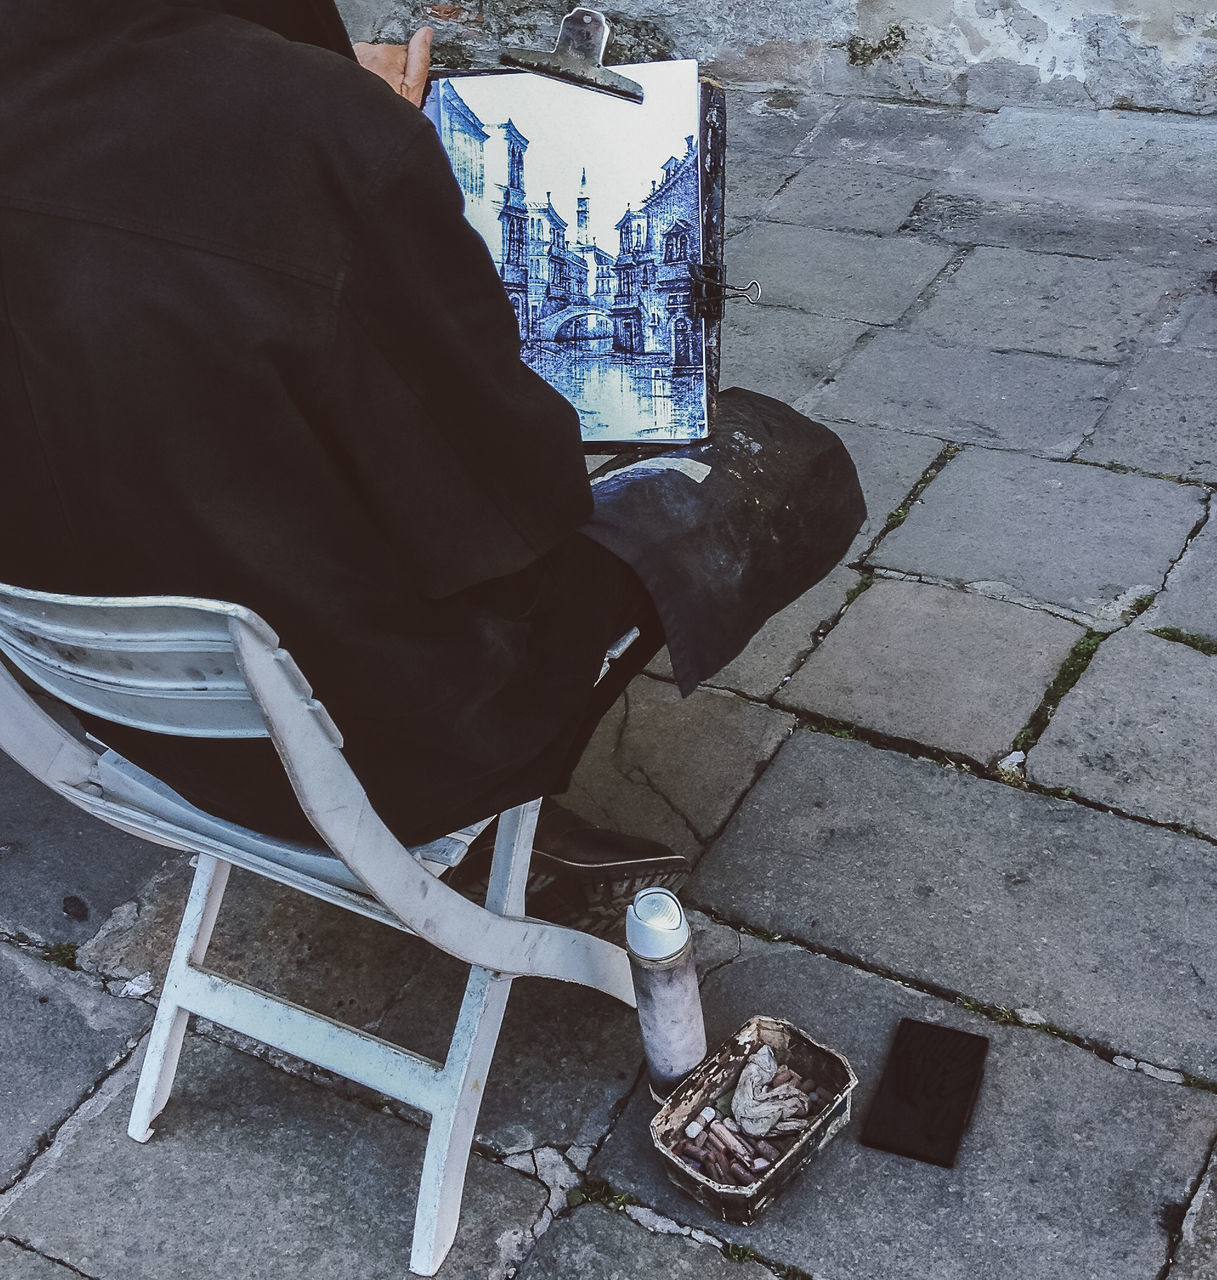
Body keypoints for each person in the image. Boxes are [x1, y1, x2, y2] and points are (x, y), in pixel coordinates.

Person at [0, 0, 864, 930]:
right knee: (778, 457)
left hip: (116, 721)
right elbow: (518, 502)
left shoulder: (283, 112)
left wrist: (310, 87)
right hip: (389, 742)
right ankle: (487, 831)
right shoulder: (314, 130)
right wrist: (352, 142)